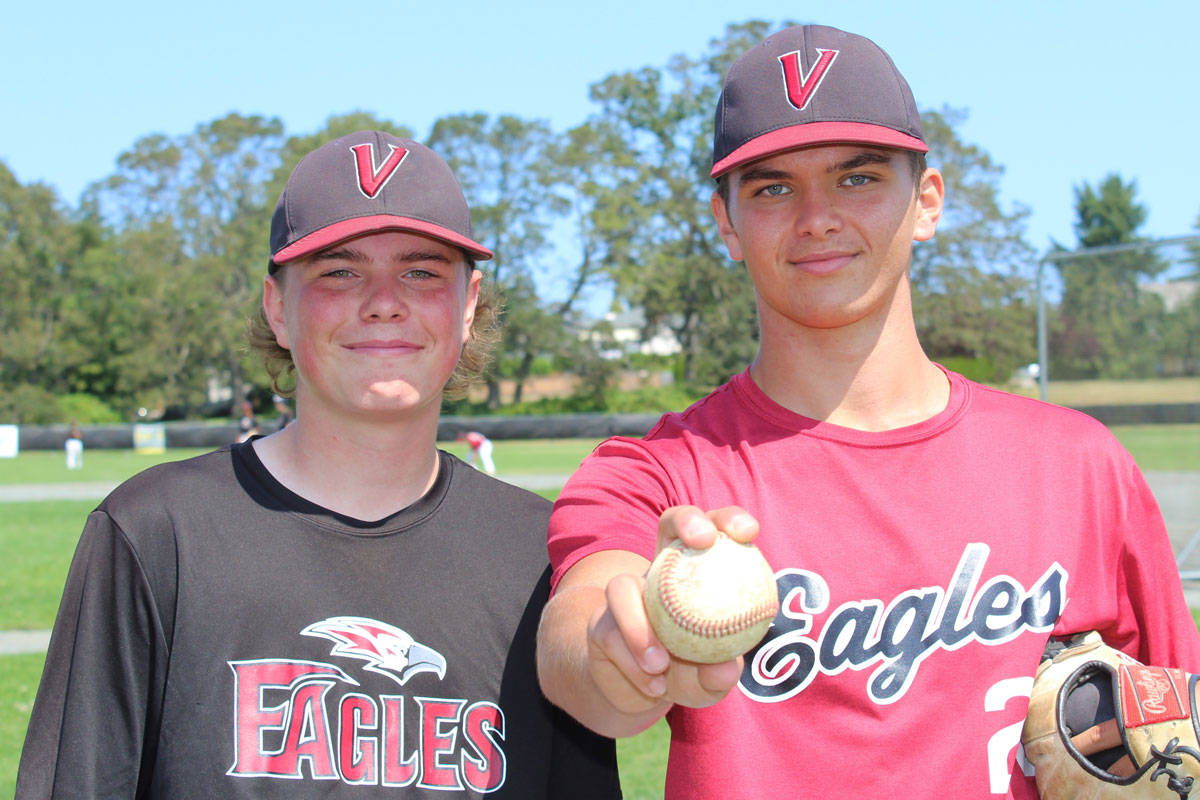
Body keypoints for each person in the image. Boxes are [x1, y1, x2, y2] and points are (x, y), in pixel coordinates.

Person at [535, 24, 1200, 799]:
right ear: (726, 224)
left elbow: (1175, 719)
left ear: (927, 201)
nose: (817, 216)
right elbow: (577, 636)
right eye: (772, 187)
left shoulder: (1081, 465)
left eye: (858, 178)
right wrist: (625, 653)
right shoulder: (655, 477)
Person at [18, 130, 620, 799]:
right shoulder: (158, 533)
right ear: (278, 307)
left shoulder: (541, 555)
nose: (384, 300)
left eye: (421, 271)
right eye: (340, 271)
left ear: (468, 305)